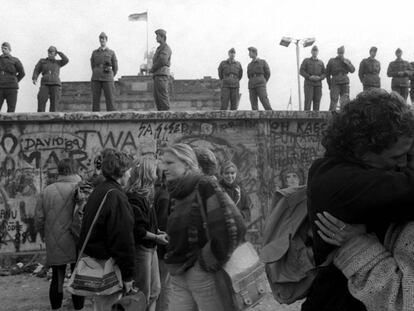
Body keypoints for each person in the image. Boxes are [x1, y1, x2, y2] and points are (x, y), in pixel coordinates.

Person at [305, 88, 414, 311]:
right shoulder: (337, 183)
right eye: (396, 157)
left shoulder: (341, 171)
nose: (404, 163)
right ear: (363, 151)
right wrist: (357, 244)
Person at [160, 143, 246, 311]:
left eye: (170, 163)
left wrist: (207, 260)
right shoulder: (177, 191)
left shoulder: (204, 185)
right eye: (163, 162)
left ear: (187, 163)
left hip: (202, 273)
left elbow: (235, 225)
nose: (164, 167)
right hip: (178, 272)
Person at [78, 149, 135, 311]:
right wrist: (128, 275)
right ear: (122, 172)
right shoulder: (116, 195)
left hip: (97, 261)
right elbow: (123, 239)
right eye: (129, 171)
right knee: (109, 305)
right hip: (109, 266)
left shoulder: (100, 190)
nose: (130, 175)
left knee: (101, 305)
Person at [35, 159, 84, 311]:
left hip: (55, 240)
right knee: (77, 278)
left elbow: (39, 219)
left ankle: (56, 309)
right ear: (75, 170)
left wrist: (45, 234)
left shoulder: (47, 191)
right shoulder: (81, 189)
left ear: (59, 172)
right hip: (76, 240)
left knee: (57, 276)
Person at [126, 157, 168, 311]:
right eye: (155, 171)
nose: (158, 174)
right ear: (148, 173)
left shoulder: (146, 195)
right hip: (142, 249)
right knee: (144, 294)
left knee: (155, 291)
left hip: (151, 248)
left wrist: (157, 232)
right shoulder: (135, 198)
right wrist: (157, 237)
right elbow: (139, 231)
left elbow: (147, 225)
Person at [32, 46, 69, 112]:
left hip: (55, 84)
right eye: (49, 52)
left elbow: (66, 60)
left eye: (52, 52)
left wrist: (59, 52)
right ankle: (40, 120)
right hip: (45, 84)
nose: (50, 54)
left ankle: (53, 121)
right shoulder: (42, 61)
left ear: (55, 54)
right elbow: (37, 69)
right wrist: (34, 78)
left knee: (54, 105)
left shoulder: (58, 62)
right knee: (41, 100)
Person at [90, 32, 118, 111]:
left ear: (106, 40)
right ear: (99, 40)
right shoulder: (94, 53)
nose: (102, 40)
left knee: (110, 98)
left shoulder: (111, 52)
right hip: (96, 77)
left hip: (107, 77)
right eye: (101, 39)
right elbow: (92, 65)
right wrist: (97, 71)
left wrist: (111, 75)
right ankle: (94, 119)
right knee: (95, 99)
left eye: (104, 39)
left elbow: (115, 67)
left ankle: (111, 117)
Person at [326, 46, 355, 111]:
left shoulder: (346, 61)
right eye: (340, 53)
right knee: (334, 100)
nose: (341, 54)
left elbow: (353, 70)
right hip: (335, 83)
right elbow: (327, 73)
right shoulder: (332, 61)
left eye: (342, 53)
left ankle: (344, 117)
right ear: (337, 53)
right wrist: (329, 84)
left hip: (345, 83)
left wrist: (347, 63)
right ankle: (331, 117)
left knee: (345, 101)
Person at [150, 29, 172, 111]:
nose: (156, 37)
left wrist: (152, 68)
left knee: (162, 97)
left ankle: (167, 118)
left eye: (157, 36)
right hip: (157, 75)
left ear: (162, 37)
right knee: (157, 98)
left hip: (162, 75)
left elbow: (162, 60)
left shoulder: (165, 48)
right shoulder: (159, 48)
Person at [0, 42, 25, 112]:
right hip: (0, 87)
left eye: (5, 48)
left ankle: (9, 123)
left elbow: (22, 73)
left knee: (11, 110)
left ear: (9, 49)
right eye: (2, 48)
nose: (3, 50)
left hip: (11, 88)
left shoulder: (15, 60)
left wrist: (15, 80)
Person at [299, 45, 326, 111]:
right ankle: (306, 120)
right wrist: (309, 77)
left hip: (318, 85)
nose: (315, 52)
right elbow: (301, 71)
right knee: (308, 101)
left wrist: (319, 78)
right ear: (311, 52)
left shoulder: (321, 62)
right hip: (309, 84)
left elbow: (325, 73)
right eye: (313, 51)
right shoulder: (306, 61)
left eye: (316, 51)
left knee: (317, 101)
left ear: (318, 52)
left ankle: (316, 120)